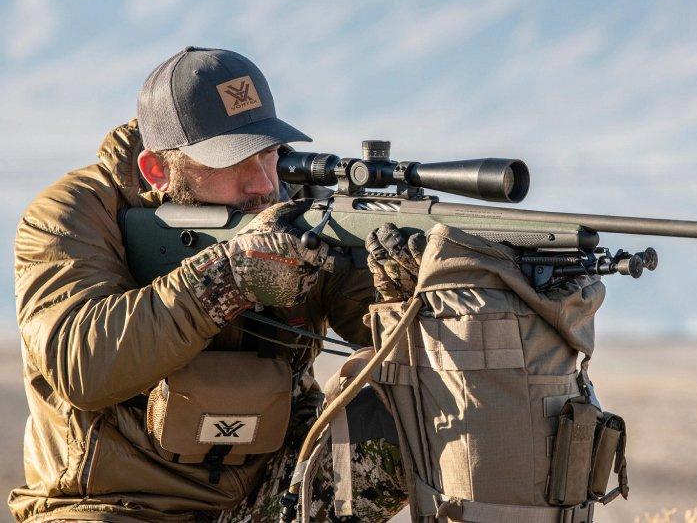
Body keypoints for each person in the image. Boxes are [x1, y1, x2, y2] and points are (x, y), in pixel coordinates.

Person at [9, 47, 409, 522]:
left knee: (417, 409)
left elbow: (372, 325)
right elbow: (81, 364)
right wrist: (225, 278)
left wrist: (404, 291)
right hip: (110, 507)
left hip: (271, 497)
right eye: (234, 161)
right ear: (157, 170)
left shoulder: (293, 210)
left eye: (269, 155)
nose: (262, 185)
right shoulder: (72, 213)